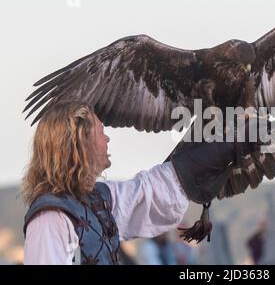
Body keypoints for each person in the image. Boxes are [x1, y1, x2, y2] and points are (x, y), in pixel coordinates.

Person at [22, 101, 258, 265]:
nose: (107, 138)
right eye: (100, 132)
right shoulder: (51, 218)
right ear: (80, 144)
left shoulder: (99, 199)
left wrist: (227, 147)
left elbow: (150, 190)